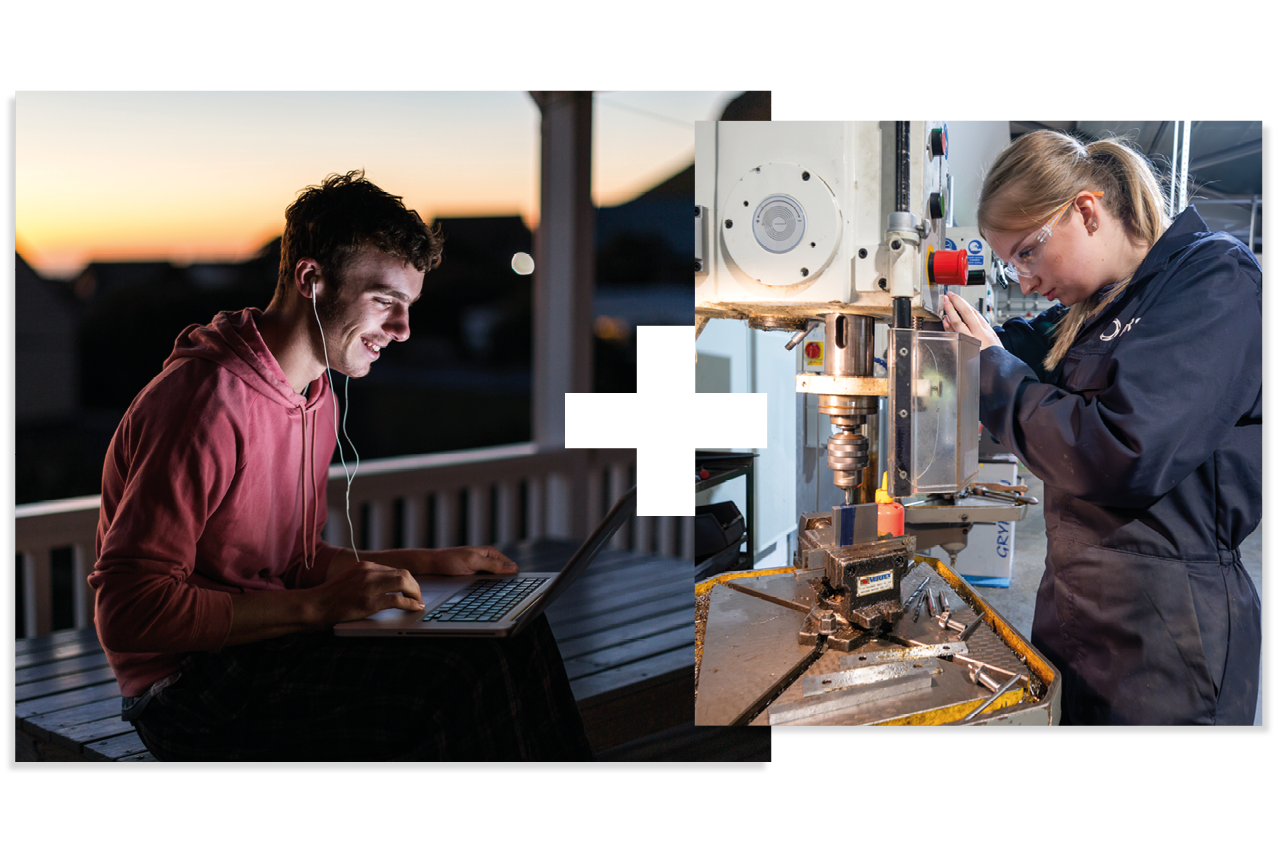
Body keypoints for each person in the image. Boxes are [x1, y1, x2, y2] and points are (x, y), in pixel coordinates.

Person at [89, 171, 594, 760]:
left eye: (408, 307)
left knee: (518, 631)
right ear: (311, 278)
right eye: (386, 302)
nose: (402, 331)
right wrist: (318, 607)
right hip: (186, 691)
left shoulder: (315, 396)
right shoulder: (204, 403)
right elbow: (128, 611)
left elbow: (292, 565)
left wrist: (425, 565)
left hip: (267, 647)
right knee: (457, 676)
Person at [940, 131, 1262, 726]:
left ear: (1086, 211)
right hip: (1076, 616)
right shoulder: (1095, 309)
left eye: (1028, 253)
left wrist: (987, 368)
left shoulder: (1213, 280)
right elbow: (1010, 348)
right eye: (1012, 267)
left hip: (1168, 640)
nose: (1026, 280)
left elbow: (1118, 452)